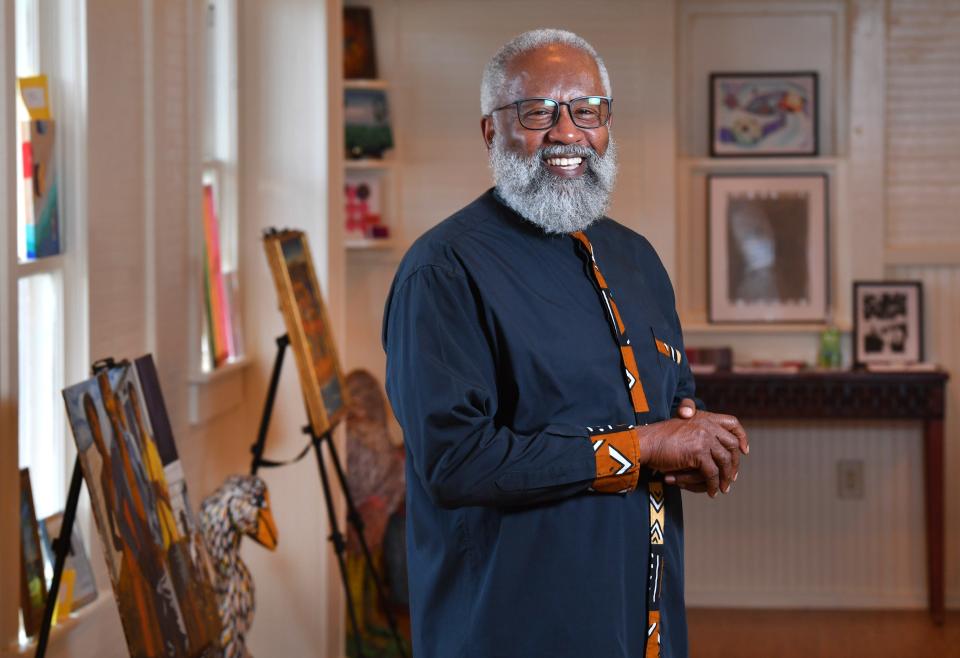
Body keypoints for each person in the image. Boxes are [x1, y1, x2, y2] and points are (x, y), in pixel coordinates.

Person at [382, 29, 749, 658]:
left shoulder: (637, 258)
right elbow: (455, 462)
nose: (567, 133)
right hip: (510, 629)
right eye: (538, 112)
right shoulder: (443, 271)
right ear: (490, 132)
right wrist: (644, 447)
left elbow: (670, 402)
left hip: (640, 622)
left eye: (587, 110)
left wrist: (696, 442)